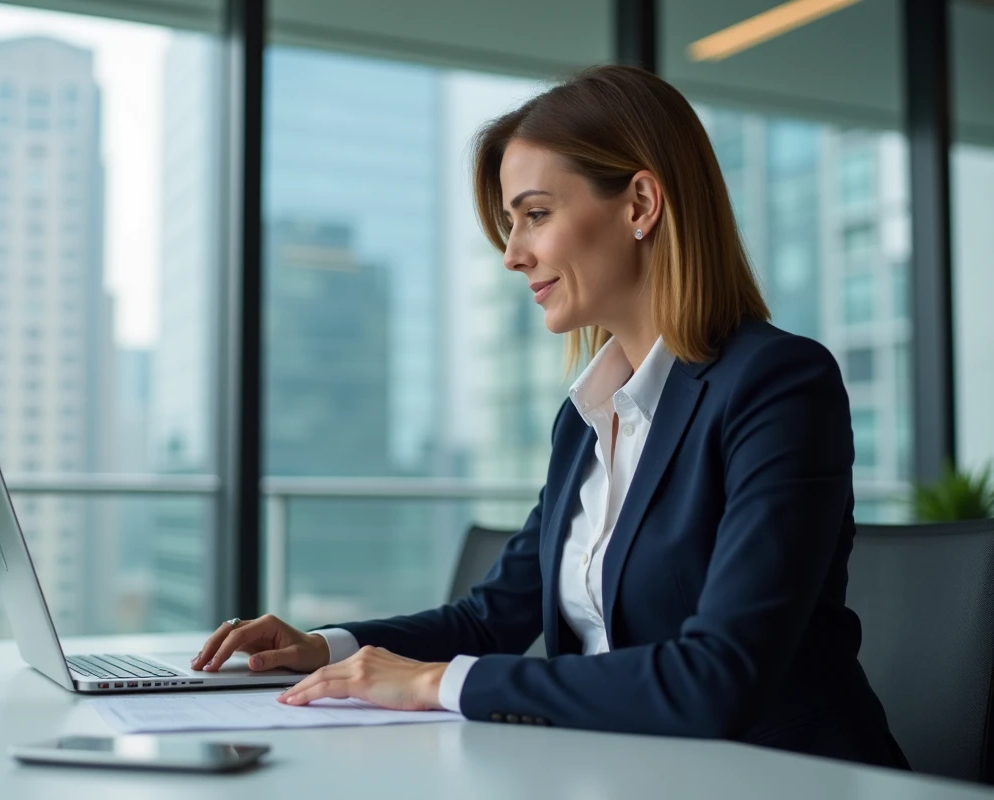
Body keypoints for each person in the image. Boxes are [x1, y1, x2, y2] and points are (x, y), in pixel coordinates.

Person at [192, 65, 909, 769]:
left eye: (535, 214)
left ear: (639, 205)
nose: (511, 254)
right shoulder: (589, 417)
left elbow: (718, 677)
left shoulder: (777, 386)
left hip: (779, 781)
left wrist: (435, 682)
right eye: (511, 223)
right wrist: (327, 647)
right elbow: (489, 617)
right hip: (621, 773)